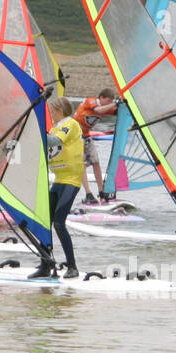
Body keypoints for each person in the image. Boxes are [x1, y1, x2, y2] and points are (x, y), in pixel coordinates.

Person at [30, 96, 82, 279]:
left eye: (53, 110)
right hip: (59, 180)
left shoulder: (71, 124)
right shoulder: (54, 128)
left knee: (59, 223)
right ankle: (46, 265)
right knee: (45, 223)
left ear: (60, 110)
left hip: (72, 180)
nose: (51, 113)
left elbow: (53, 142)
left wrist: (37, 130)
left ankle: (72, 267)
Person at [72, 87, 119, 202]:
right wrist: (114, 104)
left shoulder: (106, 107)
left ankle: (101, 191)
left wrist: (123, 104)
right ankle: (88, 194)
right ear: (101, 98)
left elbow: (117, 111)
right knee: (82, 164)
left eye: (110, 102)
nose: (110, 104)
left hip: (87, 135)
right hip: (75, 135)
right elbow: (98, 111)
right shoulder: (91, 100)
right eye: (108, 101)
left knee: (96, 162)